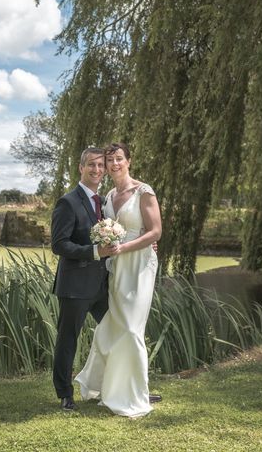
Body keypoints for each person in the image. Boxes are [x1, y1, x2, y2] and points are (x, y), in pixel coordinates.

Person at [75, 142, 162, 418]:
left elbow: (155, 232)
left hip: (139, 265)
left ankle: (134, 394)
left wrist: (126, 246)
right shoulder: (109, 195)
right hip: (116, 267)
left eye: (119, 159)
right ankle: (112, 387)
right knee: (115, 326)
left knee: (132, 328)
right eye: (109, 160)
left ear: (129, 161)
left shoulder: (144, 191)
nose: (113, 164)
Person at [50, 147, 114, 411]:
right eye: (91, 165)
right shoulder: (68, 202)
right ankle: (65, 394)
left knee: (119, 332)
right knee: (68, 340)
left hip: (102, 285)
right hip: (75, 286)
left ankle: (122, 387)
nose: (96, 170)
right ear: (80, 167)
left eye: (101, 165)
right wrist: (94, 252)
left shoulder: (105, 203)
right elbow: (59, 244)